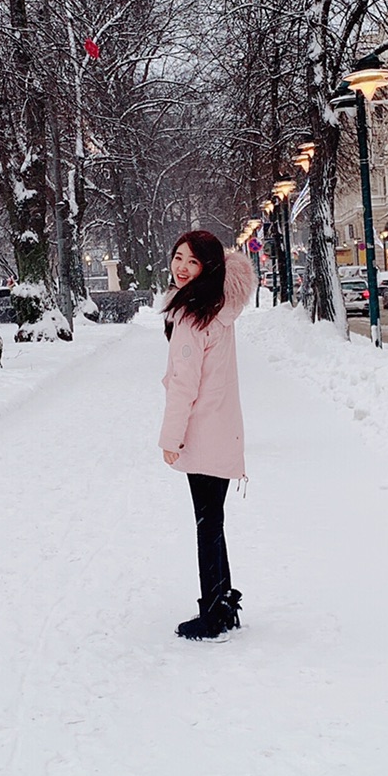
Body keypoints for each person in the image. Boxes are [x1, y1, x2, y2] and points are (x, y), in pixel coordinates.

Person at [159, 229, 256, 640]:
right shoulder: (218, 307)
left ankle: (213, 612)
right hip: (221, 428)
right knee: (213, 520)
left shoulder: (194, 316)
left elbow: (184, 384)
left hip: (202, 431)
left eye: (192, 261)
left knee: (207, 522)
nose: (182, 267)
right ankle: (222, 602)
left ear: (208, 267)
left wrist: (170, 438)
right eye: (179, 257)